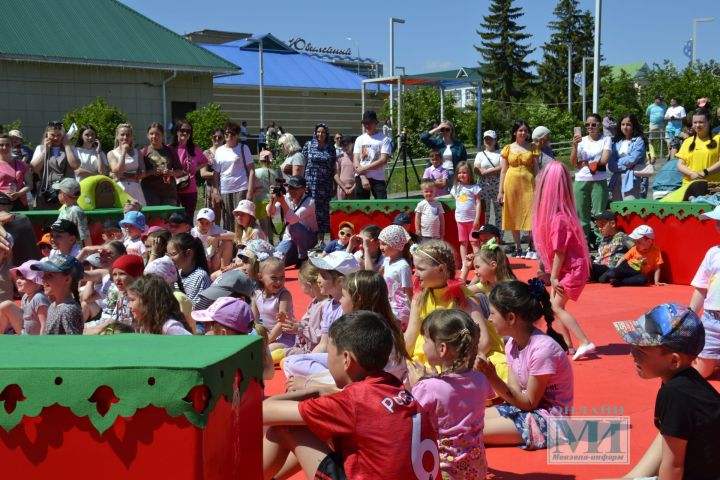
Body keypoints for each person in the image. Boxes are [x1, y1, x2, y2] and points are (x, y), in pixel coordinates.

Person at [262, 311, 440, 480]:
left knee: (287, 427)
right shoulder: (394, 386)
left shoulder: (354, 400)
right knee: (327, 430)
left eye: (329, 354)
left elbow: (262, 411)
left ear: (346, 359)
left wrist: (315, 390)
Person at [613, 303, 720, 479]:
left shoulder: (675, 394)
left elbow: (674, 466)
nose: (632, 354)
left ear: (673, 361)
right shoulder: (686, 383)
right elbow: (671, 435)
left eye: (641, 350)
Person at [479, 280, 574, 450]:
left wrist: (491, 377)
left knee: (471, 430)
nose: (489, 319)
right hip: (525, 410)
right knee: (469, 418)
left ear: (511, 317)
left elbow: (529, 403)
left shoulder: (543, 349)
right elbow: (515, 394)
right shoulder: (511, 344)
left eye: (492, 313)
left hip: (551, 422)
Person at [404, 240, 507, 381]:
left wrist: (456, 366)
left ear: (441, 269)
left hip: (460, 359)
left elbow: (484, 341)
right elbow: (410, 337)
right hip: (428, 356)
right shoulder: (420, 298)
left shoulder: (462, 298)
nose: (415, 274)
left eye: (421, 269)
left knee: (497, 369)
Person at [410, 309, 494, 479]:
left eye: (426, 341)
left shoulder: (427, 388)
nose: (423, 346)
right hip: (477, 469)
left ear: (442, 348)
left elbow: (411, 419)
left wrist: (417, 385)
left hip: (443, 471)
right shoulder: (479, 379)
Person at [532, 161, 595, 360]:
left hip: (572, 269)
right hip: (571, 268)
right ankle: (568, 346)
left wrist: (553, 277)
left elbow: (559, 252)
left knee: (557, 307)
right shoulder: (561, 216)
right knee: (555, 306)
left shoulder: (558, 219)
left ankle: (584, 341)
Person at [281, 251, 360, 380]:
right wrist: (308, 359)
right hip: (333, 359)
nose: (317, 279)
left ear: (340, 282)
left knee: (293, 364)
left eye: (323, 275)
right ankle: (326, 381)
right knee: (291, 362)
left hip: (349, 361)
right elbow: (323, 344)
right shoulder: (329, 305)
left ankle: (332, 383)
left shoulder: (351, 306)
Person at [192, 297, 274, 380]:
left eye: (206, 325)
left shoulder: (216, 360)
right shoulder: (252, 346)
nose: (204, 332)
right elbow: (270, 373)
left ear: (223, 333)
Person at [571, 113, 612, 250]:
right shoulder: (580, 140)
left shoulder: (606, 140)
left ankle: (602, 241)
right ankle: (584, 242)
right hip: (581, 180)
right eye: (587, 124)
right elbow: (573, 162)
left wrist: (585, 163)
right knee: (581, 214)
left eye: (593, 124)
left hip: (598, 180)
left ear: (599, 125)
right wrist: (575, 147)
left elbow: (604, 161)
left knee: (599, 213)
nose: (590, 127)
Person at [498, 120, 539, 256]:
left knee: (531, 213)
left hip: (528, 184)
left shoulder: (532, 147)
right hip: (511, 184)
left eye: (525, 131)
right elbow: (503, 171)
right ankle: (517, 247)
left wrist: (540, 187)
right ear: (515, 132)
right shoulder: (508, 148)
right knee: (513, 213)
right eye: (520, 130)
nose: (523, 133)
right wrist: (500, 191)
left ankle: (531, 245)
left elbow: (536, 169)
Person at [688, 204, 720, 378]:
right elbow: (701, 287)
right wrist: (689, 317)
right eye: (717, 223)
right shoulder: (713, 253)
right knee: (701, 374)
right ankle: (712, 357)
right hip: (712, 320)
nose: (717, 227)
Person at [278, 262, 327, 359]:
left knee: (285, 359)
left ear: (309, 286)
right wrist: (293, 324)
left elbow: (321, 336)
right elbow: (306, 322)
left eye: (301, 284)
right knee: (278, 353)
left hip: (315, 352)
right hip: (305, 347)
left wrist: (300, 328)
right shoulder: (315, 302)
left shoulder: (325, 306)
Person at [267, 176, 317, 267]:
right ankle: (295, 256)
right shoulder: (286, 198)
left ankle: (303, 257)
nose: (292, 191)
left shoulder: (310, 202)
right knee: (276, 261)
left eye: (295, 188)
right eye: (290, 187)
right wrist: (272, 200)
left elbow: (294, 219)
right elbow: (271, 213)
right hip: (289, 239)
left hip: (308, 240)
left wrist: (282, 202)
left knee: (295, 226)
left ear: (304, 189)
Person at [214, 122, 255, 231]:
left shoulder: (243, 148)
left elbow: (251, 170)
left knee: (242, 219)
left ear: (237, 135)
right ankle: (230, 246)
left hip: (241, 188)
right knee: (228, 220)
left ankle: (243, 245)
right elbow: (216, 173)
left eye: (232, 133)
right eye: (226, 133)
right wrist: (216, 192)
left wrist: (250, 191)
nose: (229, 135)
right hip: (225, 190)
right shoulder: (219, 150)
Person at [30, 121, 80, 209]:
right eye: (52, 135)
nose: (56, 138)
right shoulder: (40, 148)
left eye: (59, 135)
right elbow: (34, 168)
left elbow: (75, 165)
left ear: (63, 135)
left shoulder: (70, 148)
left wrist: (67, 146)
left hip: (67, 192)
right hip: (47, 193)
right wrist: (45, 151)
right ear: (47, 135)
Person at [31, 253, 85, 335]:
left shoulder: (68, 310)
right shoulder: (53, 305)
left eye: (50, 275)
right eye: (44, 274)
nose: (43, 278)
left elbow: (74, 344)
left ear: (67, 280)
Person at [302, 123, 337, 246]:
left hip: (325, 184)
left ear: (326, 134)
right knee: (310, 210)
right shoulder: (309, 145)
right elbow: (303, 164)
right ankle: (310, 239)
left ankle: (321, 241)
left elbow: (333, 168)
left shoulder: (331, 148)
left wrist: (335, 185)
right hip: (310, 185)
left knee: (322, 213)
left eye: (323, 132)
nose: (320, 134)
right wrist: (302, 183)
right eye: (318, 132)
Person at [169, 120, 209, 220]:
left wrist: (194, 169)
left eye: (188, 131)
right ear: (176, 131)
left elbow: (205, 161)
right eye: (182, 130)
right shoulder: (169, 148)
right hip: (172, 189)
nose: (185, 133)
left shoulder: (194, 149)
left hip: (190, 188)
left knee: (188, 219)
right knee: (172, 218)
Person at [253, 256, 295, 352]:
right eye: (274, 278)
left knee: (266, 351)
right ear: (260, 277)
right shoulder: (257, 294)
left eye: (282, 277)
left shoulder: (284, 295)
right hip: (266, 336)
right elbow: (255, 321)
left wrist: (268, 340)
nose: (279, 281)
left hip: (284, 337)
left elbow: (282, 322)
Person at [126, 274, 191, 335]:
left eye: (132, 300)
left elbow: (192, 345)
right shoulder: (144, 326)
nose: (128, 306)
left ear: (149, 302)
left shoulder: (169, 328)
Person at [450, 161, 482, 280]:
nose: (461, 175)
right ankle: (465, 263)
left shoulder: (474, 187)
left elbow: (478, 203)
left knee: (474, 242)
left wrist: (477, 218)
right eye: (459, 173)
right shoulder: (456, 188)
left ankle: (478, 264)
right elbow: (451, 197)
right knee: (463, 242)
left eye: (464, 172)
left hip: (472, 220)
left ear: (469, 174)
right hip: (460, 220)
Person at [0, 260, 49, 335]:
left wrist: (42, 344)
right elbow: (24, 317)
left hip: (35, 340)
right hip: (25, 333)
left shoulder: (39, 298)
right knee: (6, 305)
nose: (18, 281)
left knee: (7, 304)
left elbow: (45, 325)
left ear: (36, 281)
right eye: (18, 278)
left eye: (23, 278)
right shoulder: (26, 296)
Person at [378, 224, 413, 330]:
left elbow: (408, 291)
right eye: (380, 244)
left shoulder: (403, 266)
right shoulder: (387, 261)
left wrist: (414, 313)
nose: (381, 247)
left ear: (396, 245)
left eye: (384, 244)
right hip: (389, 304)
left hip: (400, 309)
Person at [140, 123, 182, 207]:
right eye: (151, 134)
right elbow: (139, 174)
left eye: (157, 134)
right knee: (153, 219)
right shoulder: (143, 152)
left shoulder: (171, 151)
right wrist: (152, 172)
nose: (154, 136)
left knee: (169, 218)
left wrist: (170, 172)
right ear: (147, 135)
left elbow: (180, 171)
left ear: (162, 135)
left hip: (169, 193)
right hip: (150, 193)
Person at [608, 113, 648, 201]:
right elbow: (610, 165)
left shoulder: (639, 141)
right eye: (622, 124)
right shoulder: (616, 142)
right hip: (616, 180)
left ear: (634, 126)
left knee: (631, 209)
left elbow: (632, 160)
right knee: (618, 210)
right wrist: (626, 164)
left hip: (632, 180)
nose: (625, 127)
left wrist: (617, 162)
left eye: (628, 124)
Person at [167, 233, 212, 311]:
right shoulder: (176, 273)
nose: (170, 259)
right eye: (168, 255)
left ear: (189, 253)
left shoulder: (200, 276)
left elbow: (194, 309)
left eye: (173, 254)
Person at [675, 107, 720, 184]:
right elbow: (680, 164)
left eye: (701, 122)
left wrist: (705, 172)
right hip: (689, 185)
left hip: (713, 187)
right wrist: (691, 173)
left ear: (709, 122)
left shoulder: (718, 139)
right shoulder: (687, 141)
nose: (697, 125)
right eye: (695, 122)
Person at [353, 111, 391, 199]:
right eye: (365, 123)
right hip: (361, 177)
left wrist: (363, 168)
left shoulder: (384, 139)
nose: (367, 125)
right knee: (361, 208)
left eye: (370, 123)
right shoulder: (359, 139)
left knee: (382, 207)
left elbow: (383, 160)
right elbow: (355, 160)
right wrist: (362, 177)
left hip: (378, 178)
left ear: (375, 123)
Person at [107, 123, 146, 206]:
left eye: (128, 135)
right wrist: (124, 152)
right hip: (121, 188)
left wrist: (126, 175)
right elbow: (117, 171)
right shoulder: (111, 153)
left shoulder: (137, 152)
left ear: (131, 137)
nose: (125, 137)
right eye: (122, 135)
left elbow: (143, 172)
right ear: (117, 136)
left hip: (136, 189)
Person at [420, 120, 468, 189]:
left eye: (447, 129)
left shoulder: (459, 145)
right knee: (440, 195)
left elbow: (463, 161)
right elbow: (423, 138)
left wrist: (461, 174)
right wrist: (437, 128)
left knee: (455, 195)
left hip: (453, 173)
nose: (445, 132)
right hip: (439, 173)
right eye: (443, 129)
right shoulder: (437, 143)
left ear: (451, 131)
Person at [589, 211, 634, 282]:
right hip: (599, 268)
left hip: (610, 269)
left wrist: (625, 260)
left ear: (613, 224)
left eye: (602, 225)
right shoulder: (604, 240)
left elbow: (636, 249)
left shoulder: (622, 237)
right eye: (598, 226)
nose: (600, 229)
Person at [191, 207, 234, 272]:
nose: (204, 226)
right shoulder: (193, 232)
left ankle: (223, 270)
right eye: (201, 222)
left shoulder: (215, 229)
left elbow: (235, 236)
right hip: (200, 261)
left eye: (207, 223)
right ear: (197, 221)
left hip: (213, 260)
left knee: (228, 242)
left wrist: (217, 236)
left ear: (212, 223)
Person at [474, 130, 502, 229]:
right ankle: (483, 235)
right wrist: (493, 170)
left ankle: (499, 236)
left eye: (490, 139)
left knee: (499, 213)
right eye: (486, 139)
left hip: (497, 187)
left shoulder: (501, 153)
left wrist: (484, 172)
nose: (488, 141)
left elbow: (502, 168)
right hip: (483, 187)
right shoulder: (480, 154)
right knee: (485, 212)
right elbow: (476, 169)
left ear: (495, 140)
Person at [54, 178, 91, 247]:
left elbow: (85, 236)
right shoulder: (64, 210)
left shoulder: (76, 211)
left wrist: (89, 255)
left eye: (59, 192)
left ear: (64, 194)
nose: (58, 194)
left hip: (74, 250)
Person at [0, 133, 32, 211]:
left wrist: (19, 194)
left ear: (12, 146)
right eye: (1, 145)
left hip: (20, 202)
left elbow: (30, 184)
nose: (4, 147)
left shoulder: (22, 164)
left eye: (8, 145)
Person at [253, 150, 278, 243]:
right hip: (271, 200)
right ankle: (271, 242)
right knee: (270, 224)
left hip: (260, 200)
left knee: (263, 225)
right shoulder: (274, 172)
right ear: (271, 161)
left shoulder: (256, 172)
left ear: (260, 160)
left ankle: (265, 243)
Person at [201, 128, 224, 220]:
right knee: (212, 218)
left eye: (220, 137)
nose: (217, 139)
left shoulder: (227, 152)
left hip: (226, 187)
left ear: (224, 138)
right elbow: (203, 173)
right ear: (211, 138)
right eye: (215, 137)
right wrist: (216, 174)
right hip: (211, 189)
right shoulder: (206, 153)